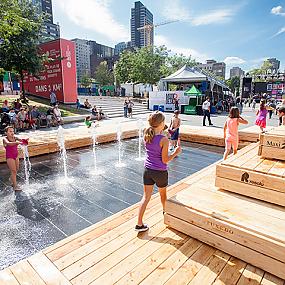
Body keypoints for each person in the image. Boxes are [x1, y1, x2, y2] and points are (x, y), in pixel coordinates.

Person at [135, 111, 182, 232]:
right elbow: (165, 160)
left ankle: (139, 224)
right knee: (163, 195)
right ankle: (166, 214)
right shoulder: (164, 140)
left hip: (148, 170)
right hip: (160, 172)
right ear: (161, 123)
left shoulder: (147, 135)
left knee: (145, 197)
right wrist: (175, 153)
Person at [3, 126, 28, 191]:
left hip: (16, 156)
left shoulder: (15, 137)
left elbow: (21, 140)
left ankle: (12, 180)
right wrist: (17, 143)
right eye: (10, 131)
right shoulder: (5, 139)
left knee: (16, 169)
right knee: (13, 171)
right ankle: (15, 186)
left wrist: (25, 140)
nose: (12, 133)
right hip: (10, 157)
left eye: (13, 131)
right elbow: (9, 144)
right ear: (6, 133)